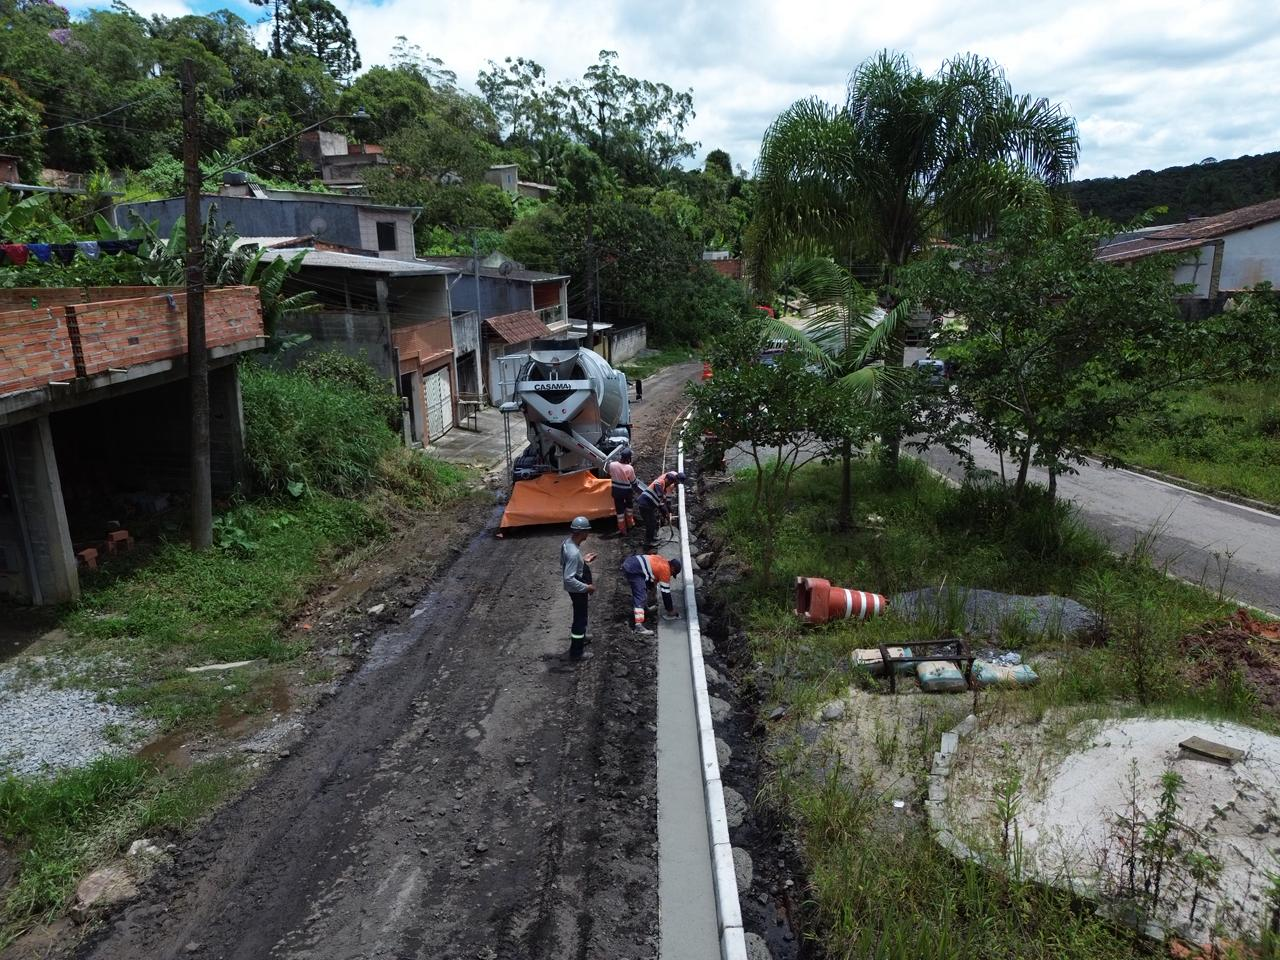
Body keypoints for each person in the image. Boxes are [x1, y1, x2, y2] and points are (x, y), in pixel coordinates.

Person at [561, 516, 597, 662]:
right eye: (587, 531)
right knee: (580, 618)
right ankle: (577, 652)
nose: (588, 534)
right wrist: (586, 587)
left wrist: (583, 560)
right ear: (581, 533)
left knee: (581, 616)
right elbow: (568, 578)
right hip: (577, 588)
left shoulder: (567, 543)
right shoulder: (573, 553)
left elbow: (565, 562)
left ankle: (581, 637)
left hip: (576, 585)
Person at [620, 553, 683, 636]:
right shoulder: (666, 570)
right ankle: (638, 626)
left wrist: (652, 589)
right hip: (634, 569)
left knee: (644, 588)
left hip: (632, 563)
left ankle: (645, 609)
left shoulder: (662, 561)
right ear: (673, 568)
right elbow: (666, 593)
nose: (671, 575)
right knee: (640, 596)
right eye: (672, 573)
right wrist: (670, 610)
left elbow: (651, 574)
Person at [634, 470, 685, 549]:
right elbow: (658, 488)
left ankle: (653, 537)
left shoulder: (664, 488)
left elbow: (661, 505)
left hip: (649, 506)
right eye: (670, 481)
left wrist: (666, 514)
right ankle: (648, 542)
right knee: (649, 524)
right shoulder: (660, 482)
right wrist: (661, 495)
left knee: (653, 522)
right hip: (644, 504)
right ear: (667, 479)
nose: (671, 483)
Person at [606, 448, 638, 536]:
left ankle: (623, 529)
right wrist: (636, 486)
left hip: (616, 491)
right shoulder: (629, 468)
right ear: (629, 458)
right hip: (627, 491)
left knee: (619, 511)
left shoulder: (612, 465)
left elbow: (608, 471)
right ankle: (630, 524)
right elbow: (633, 482)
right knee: (629, 507)